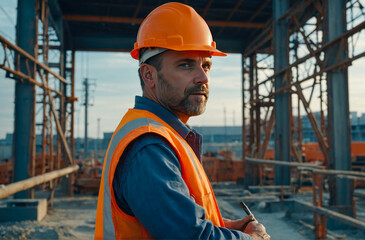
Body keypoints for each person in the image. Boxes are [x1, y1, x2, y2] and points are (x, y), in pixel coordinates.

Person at [94, 2, 270, 240]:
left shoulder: (166, 136)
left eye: (206, 65)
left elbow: (176, 225)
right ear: (149, 75)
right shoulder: (149, 146)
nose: (203, 77)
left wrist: (223, 226)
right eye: (186, 65)